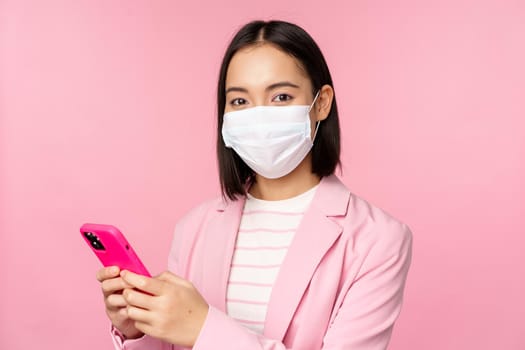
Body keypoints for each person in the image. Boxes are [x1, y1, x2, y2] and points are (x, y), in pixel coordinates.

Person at [96, 20, 413, 350]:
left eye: (280, 96)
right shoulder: (194, 228)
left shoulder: (379, 240)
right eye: (240, 102)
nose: (260, 118)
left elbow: (197, 333)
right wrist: (138, 330)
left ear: (321, 103)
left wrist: (203, 328)